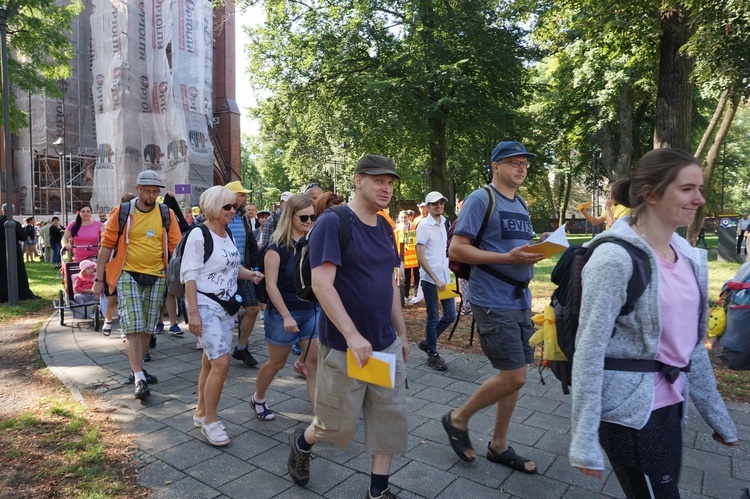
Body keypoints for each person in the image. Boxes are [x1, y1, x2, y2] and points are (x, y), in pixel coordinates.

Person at [570, 148, 739, 497]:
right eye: (687, 189)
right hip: (629, 413)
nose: (699, 199)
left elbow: (693, 349)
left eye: (700, 188)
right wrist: (583, 438)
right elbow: (588, 350)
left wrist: (718, 417)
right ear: (650, 193)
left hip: (672, 404)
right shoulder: (613, 259)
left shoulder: (690, 258)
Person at [287, 155, 409, 499]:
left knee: (388, 417)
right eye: (378, 181)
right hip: (344, 346)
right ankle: (301, 443)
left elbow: (391, 284)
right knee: (335, 424)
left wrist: (402, 333)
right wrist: (353, 335)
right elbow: (322, 283)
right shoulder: (333, 222)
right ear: (358, 180)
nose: (386, 188)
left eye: (390, 182)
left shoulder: (386, 227)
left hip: (383, 345)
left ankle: (378, 490)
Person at [442, 140, 545, 471]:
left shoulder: (522, 204)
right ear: (495, 166)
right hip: (492, 298)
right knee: (515, 376)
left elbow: (515, 246)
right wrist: (505, 258)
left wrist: (538, 247)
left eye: (524, 164)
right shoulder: (480, 199)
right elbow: (457, 250)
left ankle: (498, 445)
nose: (520, 168)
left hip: (520, 298)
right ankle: (458, 418)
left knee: (513, 374)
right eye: (513, 162)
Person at [181, 186, 264, 446]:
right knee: (222, 364)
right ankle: (211, 421)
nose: (233, 211)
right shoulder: (198, 234)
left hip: (226, 308)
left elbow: (228, 265)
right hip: (205, 308)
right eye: (227, 207)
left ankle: (200, 412)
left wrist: (248, 274)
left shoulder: (226, 233)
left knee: (210, 362)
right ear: (213, 207)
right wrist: (193, 314)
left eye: (234, 206)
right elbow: (190, 276)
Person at [92, 171, 182, 399]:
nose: (152, 195)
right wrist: (99, 279)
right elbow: (106, 246)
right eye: (148, 190)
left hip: (158, 276)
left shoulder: (166, 214)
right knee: (132, 325)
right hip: (127, 274)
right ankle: (140, 378)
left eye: (156, 191)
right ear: (138, 188)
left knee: (147, 328)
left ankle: (137, 369)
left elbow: (177, 246)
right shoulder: (122, 212)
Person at [251, 194, 320, 420]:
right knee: (277, 363)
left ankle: (320, 419)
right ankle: (258, 397)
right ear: (290, 217)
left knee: (314, 364)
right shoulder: (276, 248)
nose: (310, 221)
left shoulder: (314, 244)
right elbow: (271, 286)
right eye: (304, 217)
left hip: (311, 311)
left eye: (313, 217)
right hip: (283, 313)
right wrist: (286, 316)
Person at [416, 191, 456, 371]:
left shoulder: (445, 222)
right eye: (434, 204)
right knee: (433, 316)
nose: (438, 206)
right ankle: (432, 354)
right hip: (430, 279)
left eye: (441, 203)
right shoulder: (424, 226)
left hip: (445, 276)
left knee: (451, 315)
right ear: (428, 206)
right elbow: (421, 257)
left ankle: (427, 342)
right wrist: (435, 278)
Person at [224, 180, 262, 368]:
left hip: (243, 270)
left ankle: (241, 347)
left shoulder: (244, 217)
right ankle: (217, 350)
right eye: (241, 194)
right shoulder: (220, 216)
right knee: (225, 312)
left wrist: (255, 268)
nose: (245, 198)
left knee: (253, 308)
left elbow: (251, 244)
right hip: (223, 273)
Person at [0, 204, 38, 302]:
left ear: (2, 210)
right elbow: (23, 237)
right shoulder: (14, 223)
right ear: (12, 211)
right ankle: (20, 292)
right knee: (17, 272)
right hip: (12, 252)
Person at [395, 210, 419, 303]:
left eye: (405, 217)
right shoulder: (397, 229)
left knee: (417, 276)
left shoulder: (414, 226)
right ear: (398, 219)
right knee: (406, 277)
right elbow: (395, 243)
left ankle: (416, 295)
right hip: (404, 258)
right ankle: (405, 295)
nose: (404, 219)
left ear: (408, 217)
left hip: (415, 257)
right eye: (402, 217)